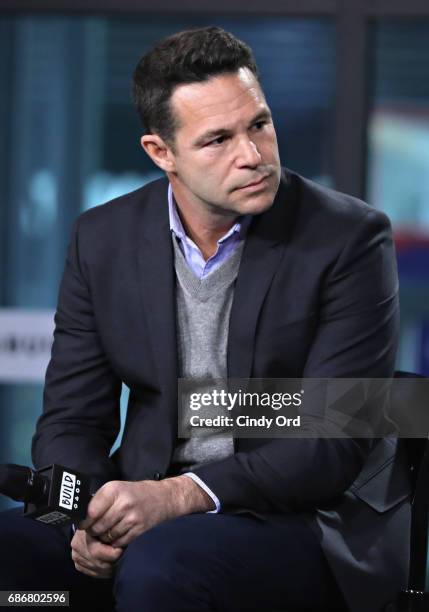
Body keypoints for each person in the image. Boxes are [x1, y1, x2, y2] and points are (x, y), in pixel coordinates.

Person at [0, 26, 411, 612]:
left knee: (160, 570)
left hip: (302, 518)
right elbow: (71, 420)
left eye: (260, 125)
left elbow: (330, 443)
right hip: (145, 506)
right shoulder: (103, 239)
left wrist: (177, 497)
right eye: (217, 139)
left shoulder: (350, 240)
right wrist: (82, 517)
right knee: (18, 575)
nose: (253, 155)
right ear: (160, 152)